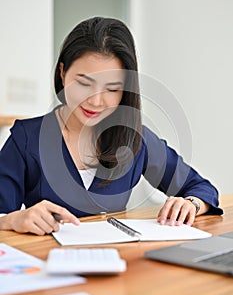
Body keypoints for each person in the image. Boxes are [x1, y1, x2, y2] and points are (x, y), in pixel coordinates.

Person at [0, 17, 223, 235]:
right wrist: (13, 219)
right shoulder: (27, 138)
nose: (96, 101)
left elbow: (201, 189)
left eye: (112, 89)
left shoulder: (135, 138)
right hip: (46, 264)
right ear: (62, 72)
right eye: (84, 83)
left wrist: (191, 204)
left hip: (118, 264)